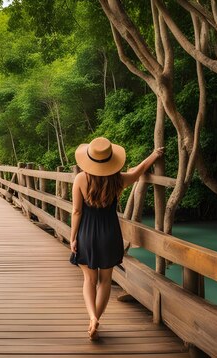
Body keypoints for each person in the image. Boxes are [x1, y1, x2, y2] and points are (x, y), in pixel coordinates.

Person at [70, 137, 163, 340]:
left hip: (86, 233)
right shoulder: (118, 180)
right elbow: (137, 173)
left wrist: (73, 237)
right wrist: (154, 155)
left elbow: (77, 211)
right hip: (110, 234)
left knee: (89, 279)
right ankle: (98, 319)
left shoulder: (80, 179)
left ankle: (92, 316)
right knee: (105, 281)